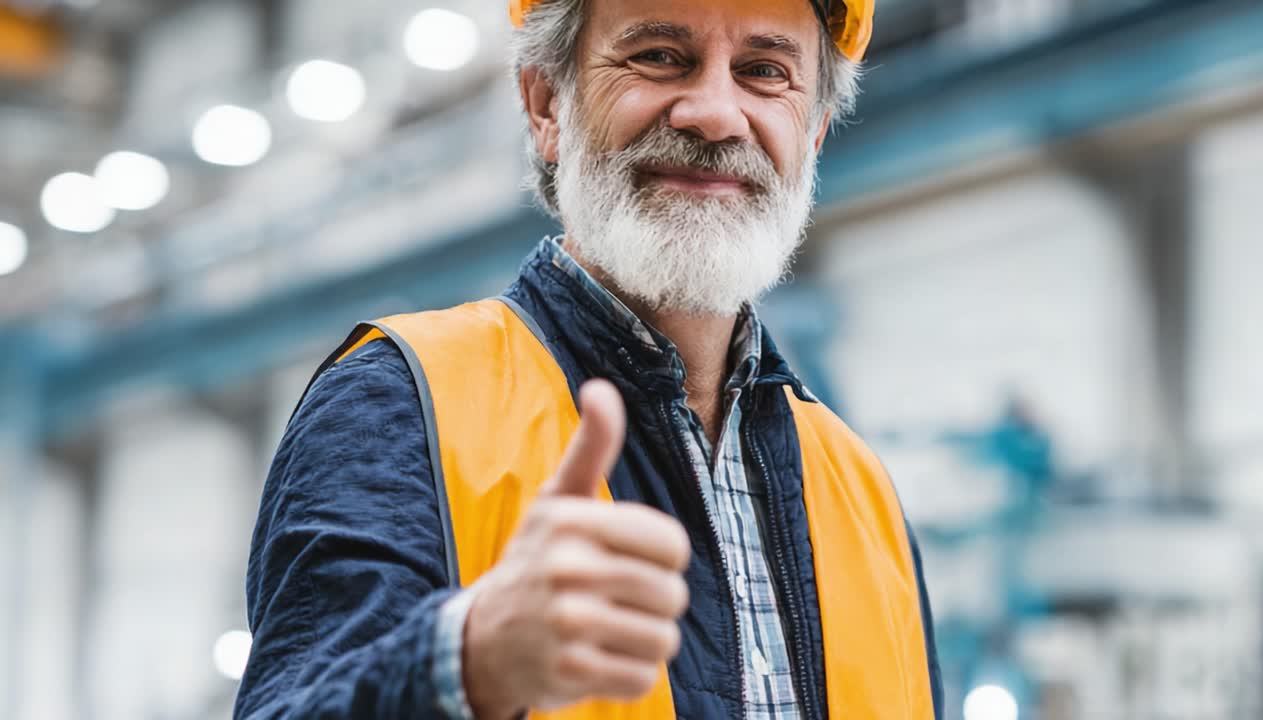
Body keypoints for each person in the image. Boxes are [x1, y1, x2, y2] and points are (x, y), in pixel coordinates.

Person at [235, 0, 943, 717]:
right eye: (661, 57)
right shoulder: (397, 402)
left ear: (815, 132)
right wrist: (466, 663)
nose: (715, 114)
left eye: (764, 73)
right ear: (548, 105)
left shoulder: (862, 489)